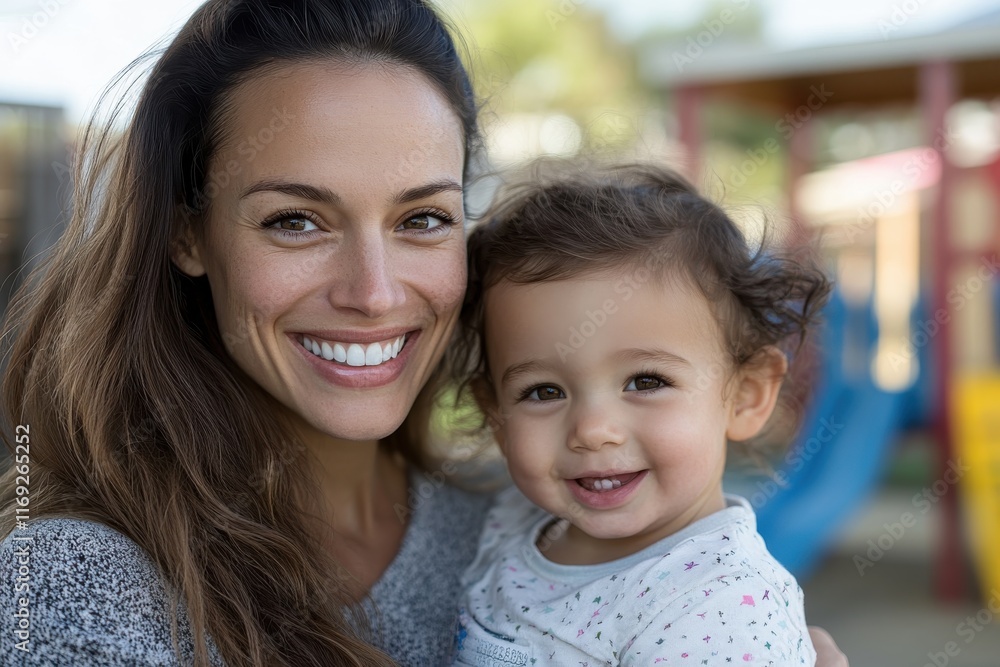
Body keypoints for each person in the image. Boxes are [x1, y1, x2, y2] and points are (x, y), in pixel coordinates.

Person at [0, 1, 849, 665]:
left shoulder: (524, 523)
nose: (373, 292)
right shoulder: (77, 586)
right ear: (188, 234)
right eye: (296, 221)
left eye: (423, 218)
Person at [449, 161, 832, 665]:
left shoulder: (720, 608)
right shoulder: (515, 520)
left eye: (646, 382)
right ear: (495, 413)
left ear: (746, 394)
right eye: (542, 391)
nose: (592, 431)